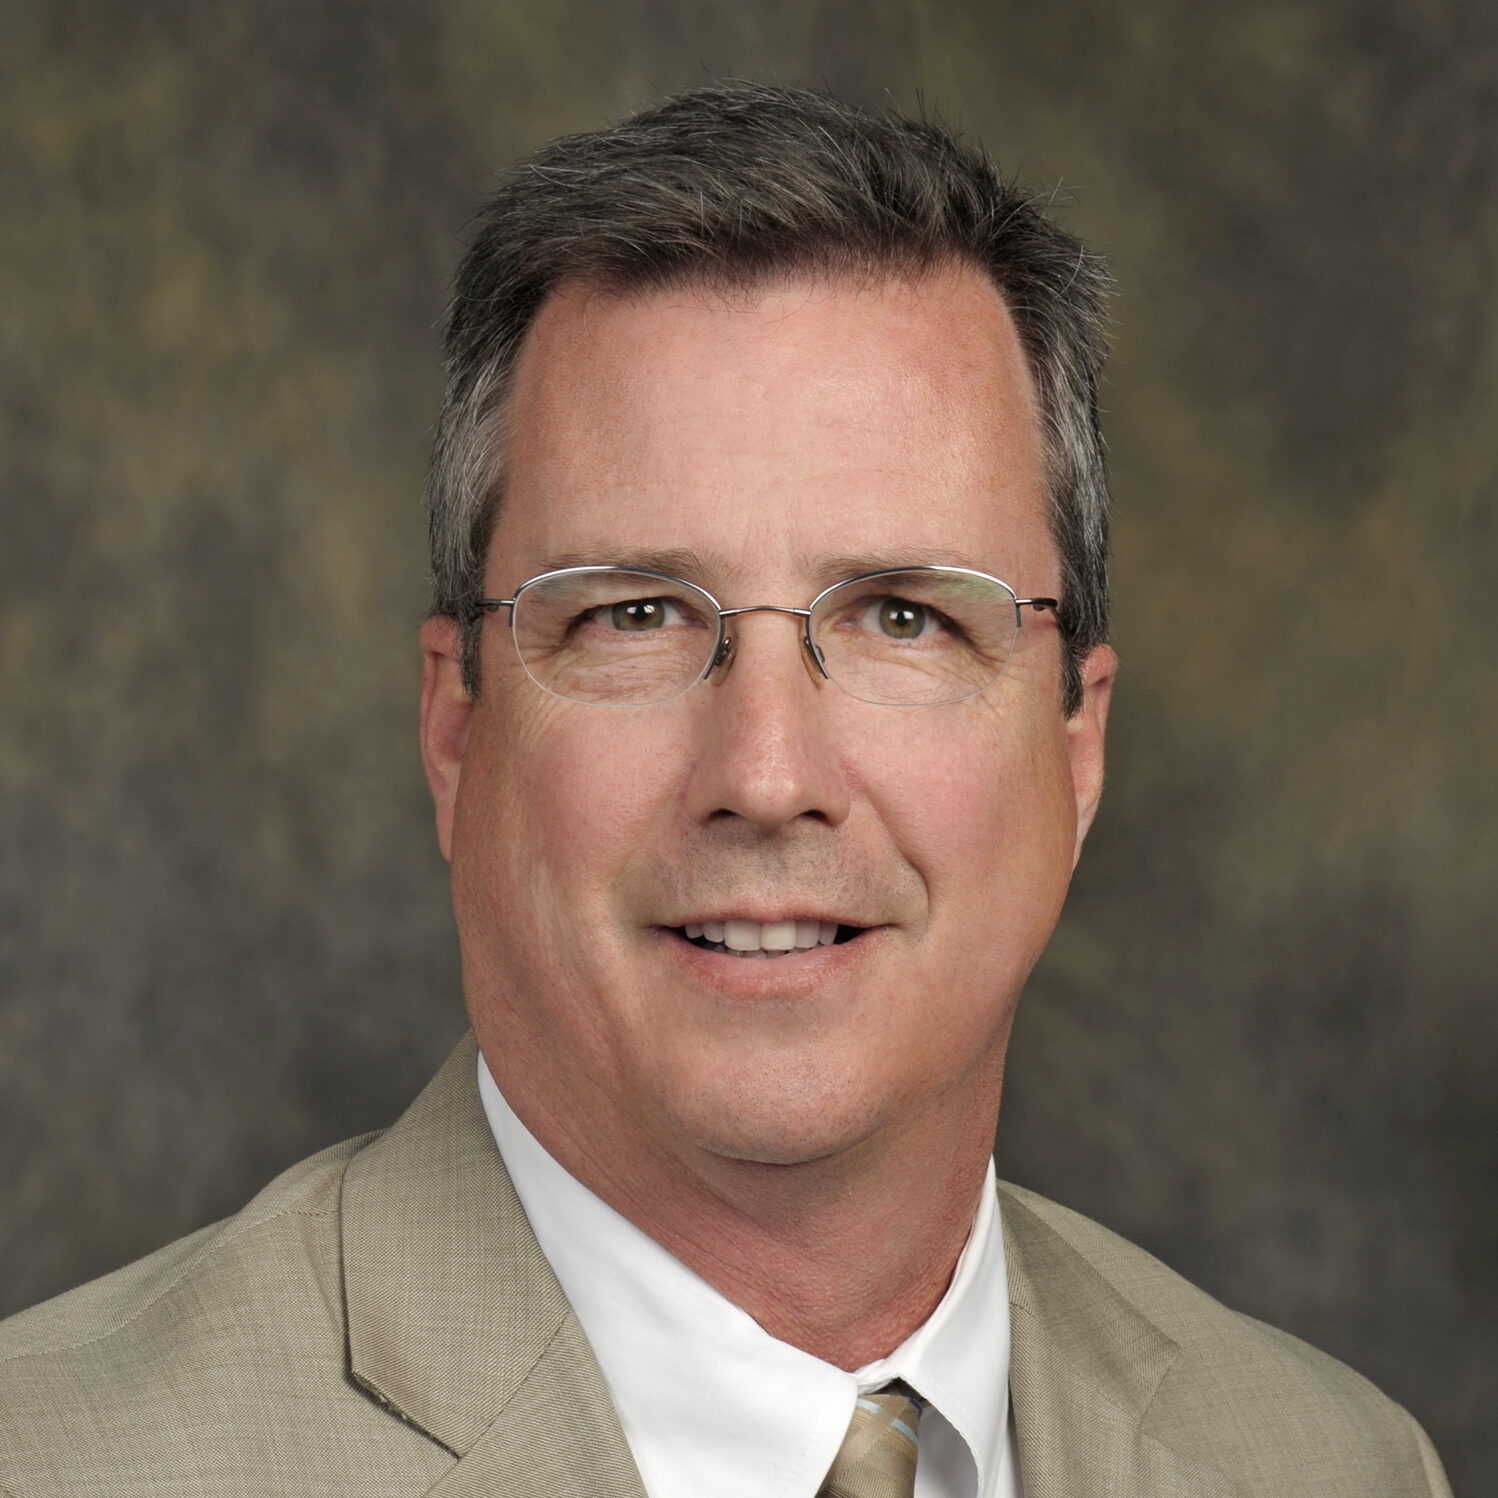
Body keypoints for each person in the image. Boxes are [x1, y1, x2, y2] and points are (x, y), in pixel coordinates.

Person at [0, 83, 1451, 1498]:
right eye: (634, 615)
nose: (766, 776)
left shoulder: (1331, 1463)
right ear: (455, 731)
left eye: (901, 617)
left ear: (1075, 749)